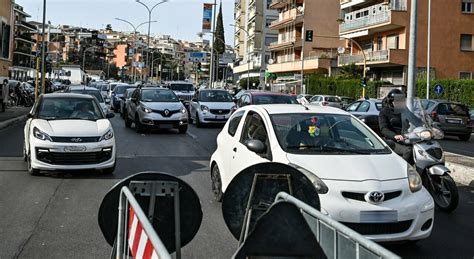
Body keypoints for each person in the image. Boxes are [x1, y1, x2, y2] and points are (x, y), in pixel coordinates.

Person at [378, 89, 413, 163]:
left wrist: (425, 124)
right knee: (408, 150)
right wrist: (395, 135)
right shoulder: (384, 112)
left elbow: (415, 120)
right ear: (391, 102)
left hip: (406, 138)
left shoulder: (404, 111)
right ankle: (401, 169)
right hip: (392, 141)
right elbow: (384, 129)